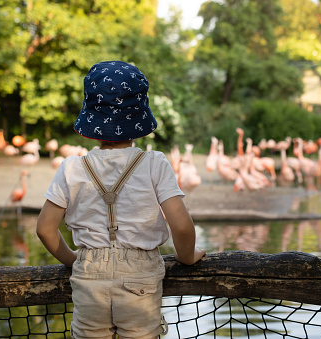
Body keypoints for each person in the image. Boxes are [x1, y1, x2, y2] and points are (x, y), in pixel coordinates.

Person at [36, 60, 205, 339]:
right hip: (140, 277)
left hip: (88, 276)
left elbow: (45, 229)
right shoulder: (154, 163)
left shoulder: (71, 168)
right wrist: (186, 257)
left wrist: (73, 260)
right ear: (139, 116)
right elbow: (182, 227)